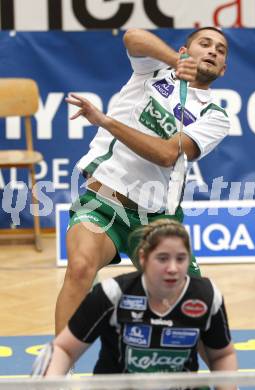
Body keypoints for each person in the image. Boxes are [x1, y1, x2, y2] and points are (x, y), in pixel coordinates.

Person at [55, 27, 230, 335]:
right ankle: (57, 372)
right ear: (185, 50)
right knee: (81, 267)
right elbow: (133, 37)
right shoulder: (155, 70)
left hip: (156, 219)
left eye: (221, 49)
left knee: (192, 300)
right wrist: (174, 61)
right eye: (205, 43)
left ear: (223, 69)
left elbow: (166, 155)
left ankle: (216, 379)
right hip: (104, 202)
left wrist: (107, 122)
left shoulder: (215, 116)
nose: (213, 50)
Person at [35, 220, 238, 390]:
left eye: (181, 259)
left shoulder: (206, 296)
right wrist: (53, 380)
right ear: (143, 258)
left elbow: (222, 354)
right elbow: (64, 348)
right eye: (162, 258)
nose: (173, 268)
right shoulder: (112, 294)